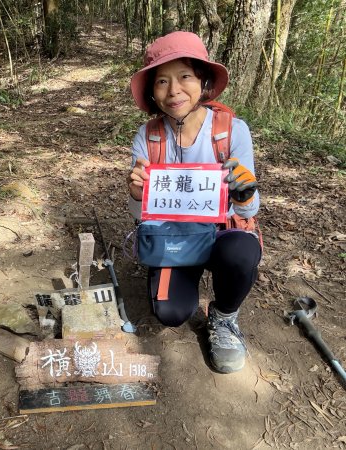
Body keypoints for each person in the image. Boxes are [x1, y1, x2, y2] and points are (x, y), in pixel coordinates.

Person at [126, 31, 262, 373]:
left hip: (220, 233)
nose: (174, 90)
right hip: (173, 236)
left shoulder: (231, 130)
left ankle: (224, 316)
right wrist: (136, 194)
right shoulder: (148, 136)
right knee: (171, 313)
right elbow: (142, 215)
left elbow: (247, 211)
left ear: (202, 82)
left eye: (185, 76)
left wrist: (244, 192)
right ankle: (173, 276)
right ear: (152, 92)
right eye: (161, 81)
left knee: (240, 253)